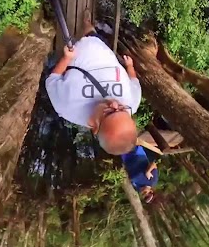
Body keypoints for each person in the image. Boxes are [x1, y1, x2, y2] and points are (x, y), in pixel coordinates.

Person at [45, 26, 140, 156]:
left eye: (109, 112)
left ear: (95, 127)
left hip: (71, 53)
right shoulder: (133, 103)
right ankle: (86, 22)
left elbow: (53, 79)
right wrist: (130, 66)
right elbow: (133, 80)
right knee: (88, 28)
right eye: (122, 109)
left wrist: (66, 58)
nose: (114, 104)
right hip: (100, 46)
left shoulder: (67, 107)